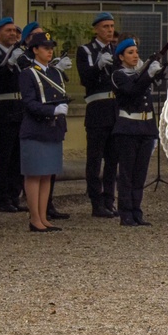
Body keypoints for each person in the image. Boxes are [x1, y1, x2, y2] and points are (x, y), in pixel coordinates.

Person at [18, 31, 68, 232]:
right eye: (45, 48)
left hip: (52, 129)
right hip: (35, 128)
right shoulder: (28, 73)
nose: (50, 51)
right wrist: (51, 110)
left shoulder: (55, 73)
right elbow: (29, 102)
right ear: (35, 50)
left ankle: (44, 216)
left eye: (51, 48)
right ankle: (34, 218)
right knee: (34, 174)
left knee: (47, 174)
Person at [111, 37, 163, 226]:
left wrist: (154, 132)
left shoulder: (139, 74)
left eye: (136, 52)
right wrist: (148, 75)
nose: (135, 56)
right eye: (130, 53)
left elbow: (148, 105)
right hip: (128, 129)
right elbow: (132, 92)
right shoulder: (119, 75)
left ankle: (136, 211)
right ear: (121, 56)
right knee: (127, 173)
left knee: (140, 173)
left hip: (145, 128)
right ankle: (125, 212)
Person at [76, 12, 120, 218]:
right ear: (96, 29)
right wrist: (97, 66)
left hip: (115, 110)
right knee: (95, 160)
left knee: (113, 159)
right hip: (97, 111)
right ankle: (96, 201)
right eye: (105, 27)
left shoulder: (116, 50)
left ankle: (109, 200)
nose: (110, 30)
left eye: (111, 26)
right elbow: (85, 79)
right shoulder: (86, 50)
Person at [0, 17, 27, 213]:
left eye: (15, 31)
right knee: (4, 155)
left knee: (18, 156)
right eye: (8, 30)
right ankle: (2, 198)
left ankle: (14, 195)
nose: (12, 34)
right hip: (3, 107)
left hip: (20, 107)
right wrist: (8, 64)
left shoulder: (21, 54)